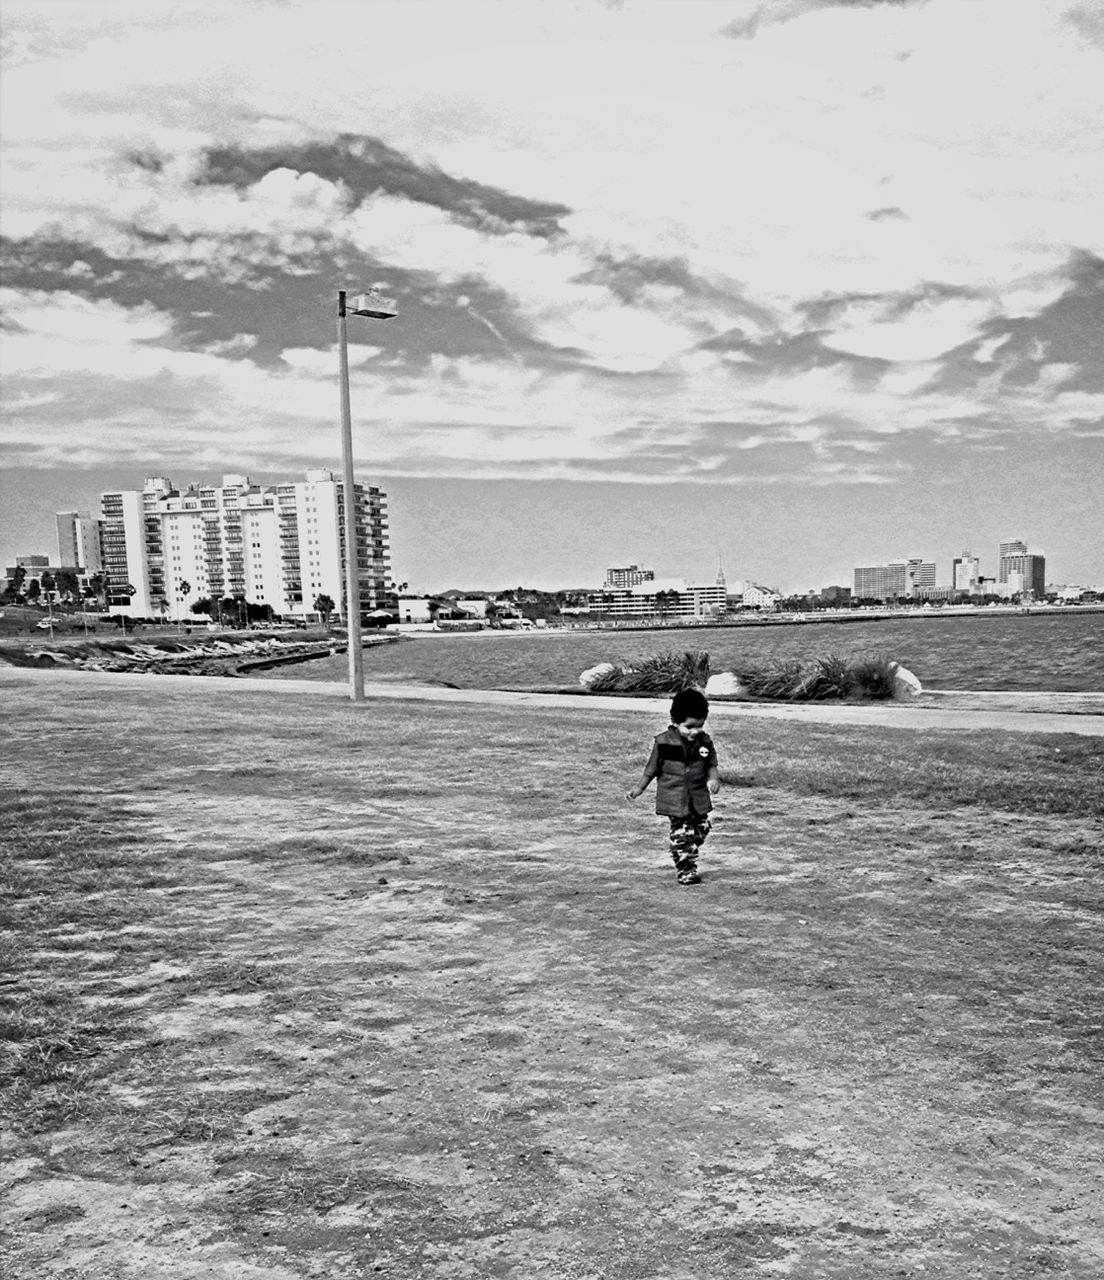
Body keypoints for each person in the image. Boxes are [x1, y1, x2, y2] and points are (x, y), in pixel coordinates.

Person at [626, 687, 721, 886]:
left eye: (700, 726)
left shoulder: (704, 743)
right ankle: (686, 870)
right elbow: (650, 770)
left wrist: (713, 779)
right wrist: (639, 788)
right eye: (689, 726)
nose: (695, 731)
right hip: (675, 800)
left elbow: (711, 764)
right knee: (682, 836)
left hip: (698, 798)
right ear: (675, 722)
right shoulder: (663, 743)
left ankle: (685, 846)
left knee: (700, 830)